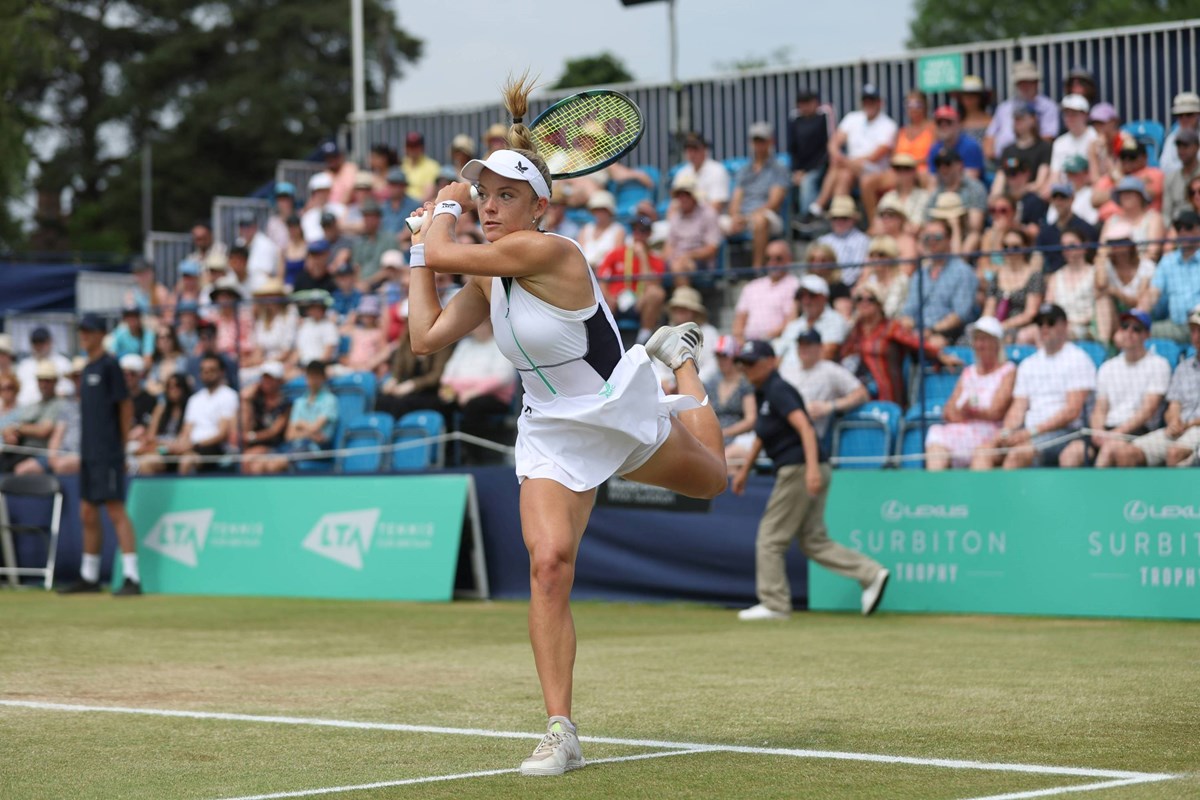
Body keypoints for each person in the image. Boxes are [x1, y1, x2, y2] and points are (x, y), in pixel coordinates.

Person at [404, 74, 727, 777]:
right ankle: (561, 729)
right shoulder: (491, 274)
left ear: (539, 207)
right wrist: (416, 255)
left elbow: (450, 248)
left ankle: (683, 362)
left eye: (504, 195)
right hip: (549, 426)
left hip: (616, 407)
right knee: (549, 566)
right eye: (483, 194)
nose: (489, 206)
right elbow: (425, 337)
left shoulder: (551, 252)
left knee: (716, 482)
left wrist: (444, 206)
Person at [729, 339, 890, 621]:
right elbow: (763, 435)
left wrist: (812, 469)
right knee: (813, 540)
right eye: (742, 363)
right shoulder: (763, 393)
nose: (746, 369)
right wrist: (744, 471)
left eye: (751, 363)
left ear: (771, 362)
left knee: (770, 537)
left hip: (800, 468)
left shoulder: (779, 389)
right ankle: (870, 573)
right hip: (804, 467)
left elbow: (804, 427)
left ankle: (775, 604)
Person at [48, 317, 139, 595]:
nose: (84, 336)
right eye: (82, 331)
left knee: (115, 509)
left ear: (101, 334)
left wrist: (122, 448)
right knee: (87, 511)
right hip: (88, 453)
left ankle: (132, 578)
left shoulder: (110, 366)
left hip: (109, 452)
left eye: (89, 331)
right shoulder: (86, 368)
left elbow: (124, 407)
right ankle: (88, 576)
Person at [971, 303, 1096, 469]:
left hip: (1067, 433)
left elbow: (1072, 411)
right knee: (984, 452)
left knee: (1018, 454)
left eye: (1050, 322)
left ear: (1065, 326)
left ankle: (1008, 496)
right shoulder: (1029, 364)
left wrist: (1031, 432)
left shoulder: (1078, 359)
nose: (1044, 328)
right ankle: (983, 496)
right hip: (1031, 432)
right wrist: (1007, 431)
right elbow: (1018, 407)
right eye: (1040, 323)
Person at [1061, 309, 1169, 468]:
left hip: (1138, 431)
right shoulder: (1108, 367)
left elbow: (1147, 411)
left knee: (1110, 450)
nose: (1129, 332)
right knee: (1070, 454)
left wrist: (1116, 434)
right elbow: (1100, 408)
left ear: (1146, 335)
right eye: (1124, 326)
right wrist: (1098, 431)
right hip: (1107, 430)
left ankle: (1097, 492)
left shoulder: (1159, 365)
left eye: (1136, 329)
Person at [841, 283, 959, 407]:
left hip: (885, 392)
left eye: (870, 299)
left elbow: (914, 342)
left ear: (879, 303)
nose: (864, 303)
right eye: (859, 299)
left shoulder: (891, 327)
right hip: (856, 390)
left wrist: (940, 355)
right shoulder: (854, 331)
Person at [924, 317, 1016, 470]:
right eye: (977, 340)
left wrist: (967, 413)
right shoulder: (969, 372)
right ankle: (936, 490)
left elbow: (996, 411)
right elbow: (948, 411)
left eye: (984, 340)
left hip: (990, 435)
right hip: (961, 432)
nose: (979, 345)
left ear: (997, 343)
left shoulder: (1008, 370)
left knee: (982, 453)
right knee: (936, 440)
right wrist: (971, 413)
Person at [1114, 306, 1200, 466]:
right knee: (1125, 453)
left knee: (1175, 453)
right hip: (1179, 430)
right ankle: (1134, 492)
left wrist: (1188, 424)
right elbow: (1173, 406)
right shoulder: (1184, 368)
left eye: (1199, 331)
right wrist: (1173, 421)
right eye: (1193, 330)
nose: (1196, 336)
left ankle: (1177, 492)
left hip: (1196, 431)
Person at [437, 319, 518, 464]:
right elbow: (447, 375)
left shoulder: (501, 344)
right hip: (461, 395)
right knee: (440, 403)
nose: (479, 328)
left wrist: (472, 391)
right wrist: (453, 391)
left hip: (495, 398)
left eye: (482, 324)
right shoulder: (464, 345)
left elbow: (503, 377)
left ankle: (475, 457)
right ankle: (448, 458)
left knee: (474, 407)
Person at [813, 84, 897, 218]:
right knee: (843, 175)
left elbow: (875, 157)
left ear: (879, 103)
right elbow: (834, 141)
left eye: (872, 101)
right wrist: (837, 155)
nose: (868, 104)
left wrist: (842, 160)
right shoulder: (853, 117)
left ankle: (819, 207)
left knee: (839, 167)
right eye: (865, 101)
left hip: (875, 169)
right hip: (852, 167)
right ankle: (838, 214)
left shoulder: (888, 125)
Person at [899, 219, 979, 346]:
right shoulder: (919, 275)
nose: (932, 241)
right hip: (919, 333)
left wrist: (931, 331)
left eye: (937, 237)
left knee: (933, 344)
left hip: (950, 334)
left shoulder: (963, 272)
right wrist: (907, 328)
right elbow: (909, 311)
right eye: (927, 237)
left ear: (949, 239)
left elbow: (960, 315)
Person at [780, 329, 868, 441]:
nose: (803, 348)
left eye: (808, 344)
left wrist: (829, 406)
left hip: (812, 437)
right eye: (801, 344)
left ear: (820, 347)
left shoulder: (830, 370)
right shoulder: (786, 371)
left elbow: (862, 394)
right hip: (783, 431)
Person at [724, 121, 791, 268]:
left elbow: (774, 203)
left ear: (770, 142)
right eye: (756, 140)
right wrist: (735, 216)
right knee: (712, 223)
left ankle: (757, 268)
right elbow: (736, 198)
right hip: (744, 216)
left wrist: (748, 217)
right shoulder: (744, 170)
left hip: (768, 216)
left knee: (760, 221)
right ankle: (722, 274)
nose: (759, 145)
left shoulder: (779, 169)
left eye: (762, 140)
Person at [595, 215, 667, 347]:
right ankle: (602, 341)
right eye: (635, 230)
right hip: (615, 301)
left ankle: (644, 339)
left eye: (643, 231)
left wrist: (643, 257)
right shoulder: (616, 253)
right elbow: (601, 278)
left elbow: (652, 285)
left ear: (649, 234)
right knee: (601, 295)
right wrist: (608, 296)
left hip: (639, 303)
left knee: (656, 293)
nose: (638, 235)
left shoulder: (656, 260)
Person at [1140, 209, 1200, 341]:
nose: (1183, 232)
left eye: (1189, 227)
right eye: (1179, 228)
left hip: (1199, 323)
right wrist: (1137, 316)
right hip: (1176, 326)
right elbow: (1152, 293)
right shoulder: (1168, 261)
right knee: (1139, 333)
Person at [984, 61, 1059, 163]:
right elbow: (990, 136)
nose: (1025, 86)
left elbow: (1048, 138)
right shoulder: (1004, 107)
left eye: (1029, 81)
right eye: (1021, 82)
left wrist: (1022, 152)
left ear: (1036, 82)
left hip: (1029, 162)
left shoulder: (1048, 106)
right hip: (1002, 160)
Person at [177, 353, 240, 475]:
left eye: (212, 370)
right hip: (192, 447)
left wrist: (194, 445)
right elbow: (186, 429)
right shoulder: (194, 399)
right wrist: (181, 445)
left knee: (187, 461)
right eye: (204, 370)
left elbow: (222, 433)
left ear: (221, 372)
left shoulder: (229, 396)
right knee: (151, 460)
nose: (207, 374)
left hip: (215, 447)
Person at [0, 360, 64, 474]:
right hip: (21, 450)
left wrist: (17, 428)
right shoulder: (33, 405)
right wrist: (10, 432)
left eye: (47, 380)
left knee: (19, 470)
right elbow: (17, 426)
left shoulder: (58, 404)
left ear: (55, 382)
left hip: (38, 453)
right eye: (40, 380)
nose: (43, 384)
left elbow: (43, 430)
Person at [705, 334, 758, 470]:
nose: (720, 361)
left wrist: (726, 432)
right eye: (718, 356)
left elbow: (750, 419)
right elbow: (707, 415)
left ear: (734, 358)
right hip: (716, 438)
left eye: (724, 356)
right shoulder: (712, 382)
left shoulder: (745, 383)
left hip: (740, 439)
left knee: (724, 462)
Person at [731, 239, 800, 343]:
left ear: (789, 259)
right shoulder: (751, 286)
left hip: (778, 343)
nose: (773, 262)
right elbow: (740, 319)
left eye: (778, 258)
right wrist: (739, 340)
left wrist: (764, 338)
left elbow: (790, 321)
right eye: (768, 258)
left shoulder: (795, 285)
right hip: (748, 345)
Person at [982, 228, 1043, 344]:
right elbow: (988, 309)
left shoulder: (1034, 276)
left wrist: (1003, 326)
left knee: (1008, 338)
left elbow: (1030, 314)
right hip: (995, 325)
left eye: (1015, 247)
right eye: (1005, 246)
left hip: (1020, 327)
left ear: (1025, 248)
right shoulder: (996, 275)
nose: (1010, 251)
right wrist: (986, 326)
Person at [775, 274, 850, 363]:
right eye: (801, 295)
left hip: (817, 373)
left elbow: (827, 354)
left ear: (824, 297)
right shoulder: (794, 325)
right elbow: (777, 356)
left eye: (812, 295)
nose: (806, 301)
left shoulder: (836, 321)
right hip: (788, 373)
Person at [662, 172, 722, 280]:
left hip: (701, 262)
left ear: (694, 196)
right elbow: (669, 246)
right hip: (677, 260)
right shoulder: (675, 216)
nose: (683, 198)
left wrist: (688, 256)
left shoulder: (708, 214)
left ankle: (682, 296)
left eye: (686, 194)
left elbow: (712, 249)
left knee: (680, 267)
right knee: (669, 266)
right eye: (679, 195)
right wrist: (670, 259)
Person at [1096, 237, 1155, 345]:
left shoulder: (1146, 265)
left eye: (1120, 244)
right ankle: (1103, 346)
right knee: (1103, 300)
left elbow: (1139, 301)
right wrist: (1101, 259)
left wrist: (1115, 292)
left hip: (1138, 316)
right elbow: (1100, 286)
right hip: (1114, 316)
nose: (1116, 249)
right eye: (1113, 245)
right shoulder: (1106, 264)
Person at [1034, 182, 1099, 274]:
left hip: (1082, 275)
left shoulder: (1086, 229)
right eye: (1055, 198)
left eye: (1063, 198)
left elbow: (1094, 257)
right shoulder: (1046, 232)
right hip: (1053, 279)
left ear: (1072, 199)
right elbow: (1037, 258)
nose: (1058, 202)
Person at [991, 104, 1053, 200]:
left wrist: (1019, 192)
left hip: (1031, 197)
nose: (1017, 122)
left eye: (1021, 118)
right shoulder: (1007, 150)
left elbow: (1039, 183)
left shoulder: (1044, 148)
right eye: (1015, 119)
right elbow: (1000, 178)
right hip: (1009, 198)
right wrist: (995, 198)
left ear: (1033, 119)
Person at [1044, 229, 1096, 340]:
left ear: (1084, 246)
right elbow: (1050, 307)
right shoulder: (1055, 277)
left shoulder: (1095, 274)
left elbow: (1099, 309)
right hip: (1057, 326)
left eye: (1072, 245)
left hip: (1086, 327)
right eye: (1064, 246)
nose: (1067, 250)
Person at [135, 373, 192, 476]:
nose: (173, 390)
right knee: (145, 462)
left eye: (177, 386)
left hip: (180, 452)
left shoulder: (191, 408)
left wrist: (174, 445)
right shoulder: (161, 408)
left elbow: (185, 438)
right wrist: (164, 445)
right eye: (169, 387)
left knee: (187, 459)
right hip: (162, 451)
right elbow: (151, 436)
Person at [786, 90, 830, 218]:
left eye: (808, 102)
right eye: (801, 103)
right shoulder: (795, 121)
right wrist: (796, 171)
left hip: (819, 167)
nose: (805, 106)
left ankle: (807, 220)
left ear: (816, 103)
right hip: (799, 169)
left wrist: (806, 171)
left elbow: (825, 150)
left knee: (807, 183)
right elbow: (792, 149)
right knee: (784, 184)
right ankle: (791, 227)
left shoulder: (823, 119)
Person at [816, 196, 870, 287]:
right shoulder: (823, 240)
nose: (839, 221)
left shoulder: (862, 240)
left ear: (853, 220)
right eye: (835, 218)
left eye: (844, 218)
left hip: (849, 287)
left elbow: (855, 271)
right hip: (823, 286)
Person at [15, 327, 73, 406]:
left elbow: (68, 390)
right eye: (35, 342)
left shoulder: (63, 363)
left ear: (50, 342)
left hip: (53, 409)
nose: (39, 346)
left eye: (42, 342)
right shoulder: (24, 366)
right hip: (25, 410)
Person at [675, 132, 731, 214]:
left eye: (695, 149)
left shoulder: (717, 170)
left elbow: (716, 206)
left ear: (705, 150)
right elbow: (675, 204)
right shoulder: (682, 172)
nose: (692, 153)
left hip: (712, 220)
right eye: (688, 149)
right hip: (686, 219)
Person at [1049, 95, 1099, 186]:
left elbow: (1100, 174)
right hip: (1065, 192)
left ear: (1085, 115)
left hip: (1089, 188)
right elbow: (1054, 176)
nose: (1069, 118)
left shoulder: (1096, 137)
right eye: (1066, 114)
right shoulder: (1059, 142)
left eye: (1074, 114)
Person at [576, 190, 625, 268]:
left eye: (603, 210)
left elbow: (616, 257)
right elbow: (578, 255)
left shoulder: (618, 230)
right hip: (586, 271)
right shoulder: (586, 229)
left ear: (609, 211)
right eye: (596, 210)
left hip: (607, 273)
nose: (599, 213)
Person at [1163, 129, 1200, 227]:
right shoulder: (1170, 178)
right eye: (1179, 146)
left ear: (1197, 147)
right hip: (1177, 228)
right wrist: (1172, 230)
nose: (1181, 150)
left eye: (1186, 146)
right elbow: (1166, 214)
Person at [1159, 91, 1200, 177]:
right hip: (1179, 179)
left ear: (1198, 115)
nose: (1184, 119)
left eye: (1189, 114)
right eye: (1180, 115)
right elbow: (1165, 166)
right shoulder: (1172, 138)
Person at [401, 131, 440, 201]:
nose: (412, 149)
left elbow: (429, 193)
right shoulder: (401, 164)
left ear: (422, 147)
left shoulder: (432, 166)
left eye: (415, 146)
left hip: (421, 206)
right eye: (409, 146)